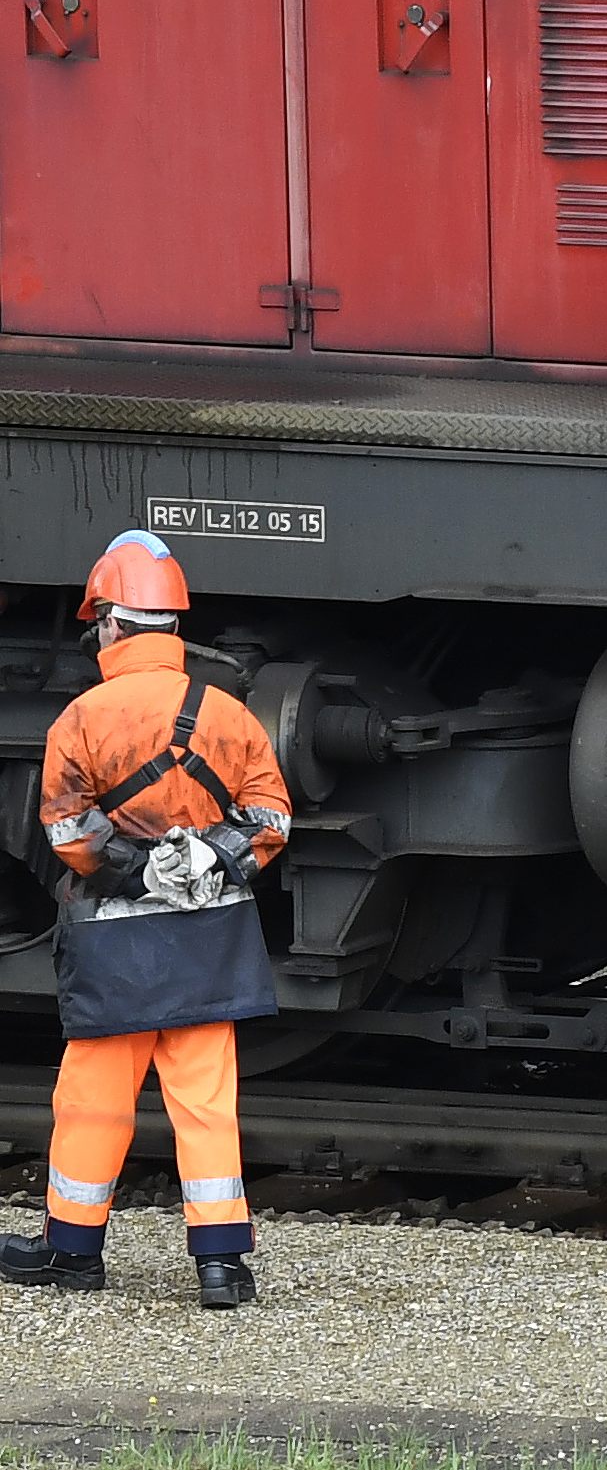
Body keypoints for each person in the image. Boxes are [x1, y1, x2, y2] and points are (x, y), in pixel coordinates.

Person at [0, 530, 291, 1309]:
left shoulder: (82, 718)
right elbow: (270, 819)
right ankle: (222, 1266)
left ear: (112, 625)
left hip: (114, 941)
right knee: (205, 1100)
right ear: (173, 626)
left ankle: (72, 1252)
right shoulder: (229, 713)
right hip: (209, 938)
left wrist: (138, 867)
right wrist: (205, 856)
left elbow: (68, 831)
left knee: (93, 1097)